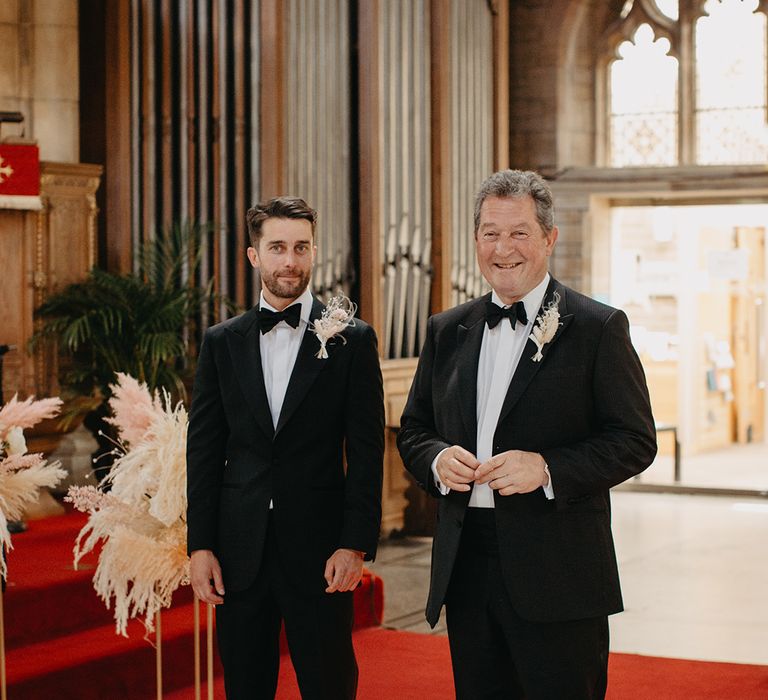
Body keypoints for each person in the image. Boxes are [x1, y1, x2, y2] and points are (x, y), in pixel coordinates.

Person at [397, 170, 657, 699]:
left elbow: (635, 439)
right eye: (491, 233)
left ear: (548, 239)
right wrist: (436, 459)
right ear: (476, 241)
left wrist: (547, 468)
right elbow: (414, 429)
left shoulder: (597, 327)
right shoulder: (447, 329)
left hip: (559, 572)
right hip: (466, 567)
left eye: (519, 233)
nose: (503, 248)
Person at [186, 196, 384, 700]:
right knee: (246, 686)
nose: (289, 261)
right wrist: (201, 545)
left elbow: (366, 451)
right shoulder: (221, 342)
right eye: (277, 247)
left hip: (321, 551)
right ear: (254, 256)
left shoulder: (352, 341)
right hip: (239, 551)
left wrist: (354, 542)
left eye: (300, 247)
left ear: (314, 252)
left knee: (329, 684)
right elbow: (204, 450)